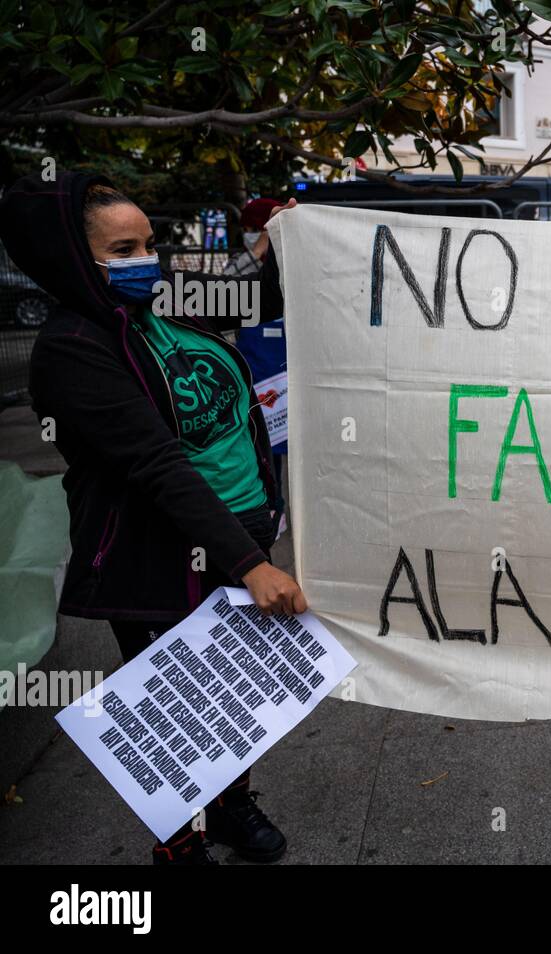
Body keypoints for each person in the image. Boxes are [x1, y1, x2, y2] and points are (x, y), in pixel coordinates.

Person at [0, 171, 306, 865]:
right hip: (161, 548)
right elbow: (157, 465)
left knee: (235, 690)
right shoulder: (73, 350)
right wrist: (253, 566)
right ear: (77, 260)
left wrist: (280, 242)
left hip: (241, 525)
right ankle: (181, 841)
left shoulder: (166, 299)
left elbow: (254, 298)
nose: (147, 261)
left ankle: (231, 809)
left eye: (148, 243)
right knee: (176, 709)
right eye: (124, 249)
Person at [226, 198, 288, 520]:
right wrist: (259, 249)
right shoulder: (241, 265)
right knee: (265, 454)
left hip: (293, 380)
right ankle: (272, 510)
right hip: (257, 384)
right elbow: (226, 293)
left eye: (257, 229)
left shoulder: (297, 262)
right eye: (247, 231)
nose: (251, 235)